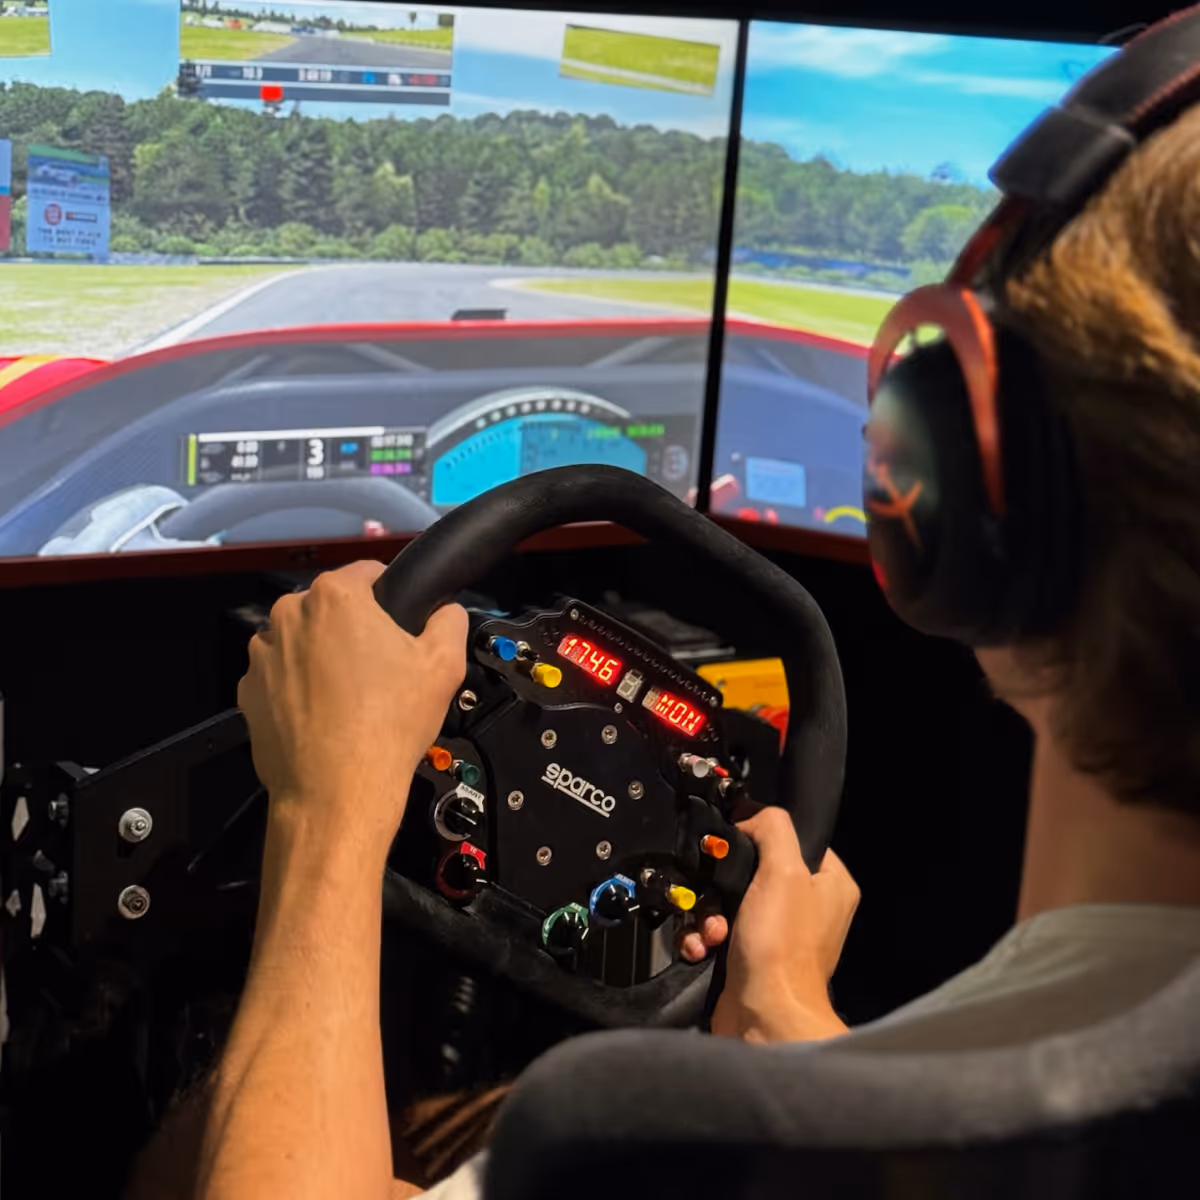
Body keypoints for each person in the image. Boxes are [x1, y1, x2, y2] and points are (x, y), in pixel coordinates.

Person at [149, 88, 1200, 1200]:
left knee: (181, 1150)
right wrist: (791, 1006)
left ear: (967, 490)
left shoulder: (629, 1143)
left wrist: (328, 815)